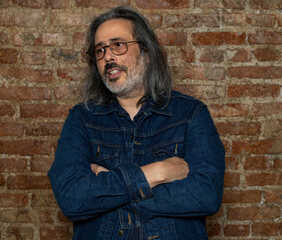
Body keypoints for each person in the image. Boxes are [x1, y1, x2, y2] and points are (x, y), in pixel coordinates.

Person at [48, 6, 225, 240]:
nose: (108, 57)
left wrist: (106, 193)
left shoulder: (190, 114)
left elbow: (206, 195)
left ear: (146, 51)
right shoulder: (81, 120)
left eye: (118, 45)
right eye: (99, 50)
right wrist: (157, 172)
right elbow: (72, 199)